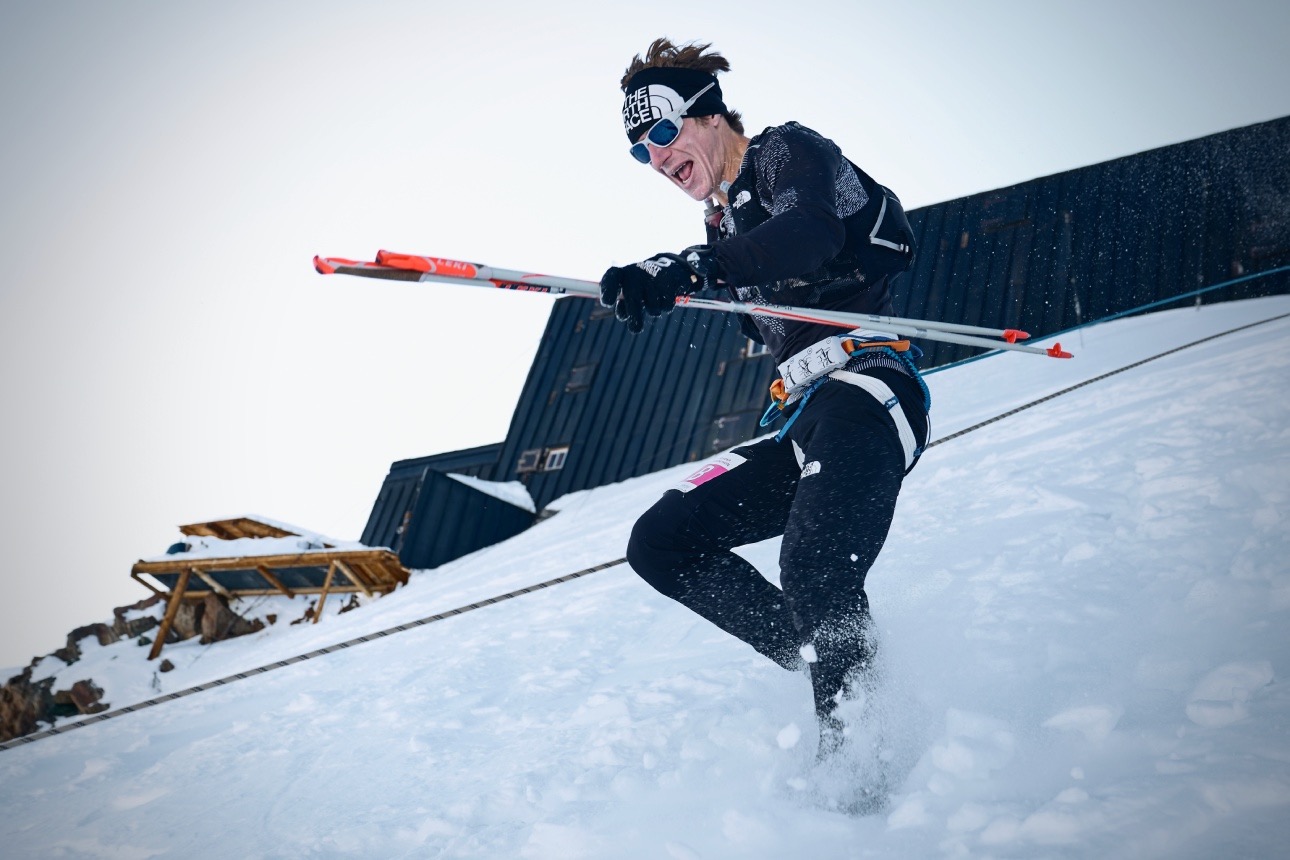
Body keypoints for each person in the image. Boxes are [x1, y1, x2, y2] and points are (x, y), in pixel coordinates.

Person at [599, 38, 929, 756]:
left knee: (813, 566)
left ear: (709, 115)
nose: (656, 157)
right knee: (661, 542)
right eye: (640, 150)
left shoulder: (785, 150)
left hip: (870, 391)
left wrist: (692, 267)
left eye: (664, 132)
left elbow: (808, 234)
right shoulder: (720, 222)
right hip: (802, 417)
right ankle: (828, 657)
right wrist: (677, 277)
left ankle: (859, 763)